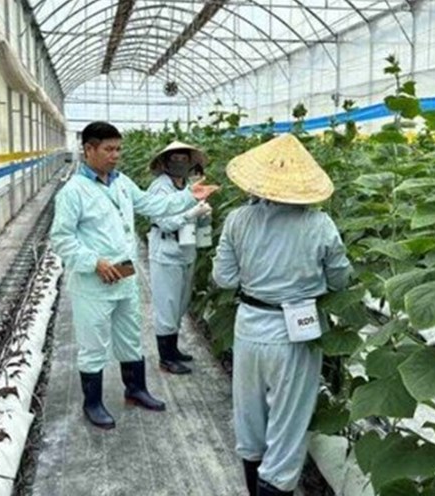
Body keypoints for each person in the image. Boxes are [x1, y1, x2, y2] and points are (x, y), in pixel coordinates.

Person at [50, 122, 218, 430]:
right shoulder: (74, 192)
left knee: (130, 336)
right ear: (88, 149)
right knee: (94, 343)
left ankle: (136, 390)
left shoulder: (121, 183)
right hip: (94, 283)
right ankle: (93, 402)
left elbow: (151, 204)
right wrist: (93, 262)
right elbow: (61, 238)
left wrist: (190, 196)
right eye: (108, 149)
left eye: (118, 149)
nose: (116, 155)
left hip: (125, 277)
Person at [212, 134, 353, 496]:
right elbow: (340, 278)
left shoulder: (237, 219)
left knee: (250, 424)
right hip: (297, 331)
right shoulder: (318, 224)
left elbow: (224, 278)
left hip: (249, 326)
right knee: (288, 432)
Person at [147, 142, 212, 375]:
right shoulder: (159, 188)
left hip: (186, 249)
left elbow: (198, 220)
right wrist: (191, 213)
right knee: (167, 304)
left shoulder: (190, 186)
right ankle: (166, 358)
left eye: (184, 159)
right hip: (166, 251)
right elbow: (163, 221)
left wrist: (204, 214)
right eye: (174, 159)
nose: (180, 164)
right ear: (164, 163)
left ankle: (173, 350)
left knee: (181, 302)